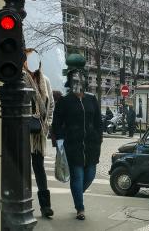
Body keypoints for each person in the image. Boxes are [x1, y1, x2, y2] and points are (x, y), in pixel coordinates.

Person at [52, 65, 102, 221]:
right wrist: (60, 140)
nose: (78, 82)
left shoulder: (91, 99)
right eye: (74, 79)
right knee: (78, 177)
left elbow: (98, 121)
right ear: (70, 82)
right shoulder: (64, 101)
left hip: (91, 146)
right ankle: (80, 208)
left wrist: (99, 136)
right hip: (73, 145)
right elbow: (57, 123)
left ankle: (77, 192)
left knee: (90, 175)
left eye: (80, 79)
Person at [23, 48, 55, 218]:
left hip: (39, 133)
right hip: (23, 132)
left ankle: (45, 206)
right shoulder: (21, 79)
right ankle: (24, 203)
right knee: (22, 168)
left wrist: (47, 124)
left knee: (39, 168)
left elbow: (51, 105)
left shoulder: (46, 81)